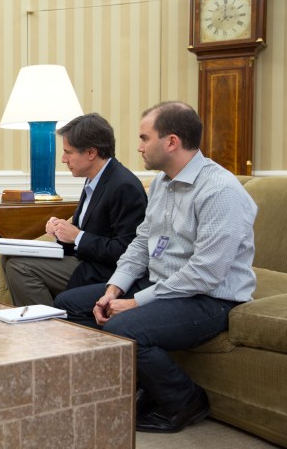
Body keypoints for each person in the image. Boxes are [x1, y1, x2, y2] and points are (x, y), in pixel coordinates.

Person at [55, 101, 257, 434]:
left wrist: (135, 302)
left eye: (144, 137)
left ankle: (185, 399)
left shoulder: (220, 192)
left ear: (172, 142)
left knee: (125, 327)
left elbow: (204, 274)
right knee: (68, 306)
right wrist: (114, 289)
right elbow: (140, 243)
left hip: (210, 298)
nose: (138, 146)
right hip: (163, 286)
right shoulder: (163, 183)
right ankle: (138, 387)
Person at [3, 113, 147, 306]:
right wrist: (60, 231)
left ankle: (45, 328)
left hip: (102, 271)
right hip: (84, 260)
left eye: (68, 152)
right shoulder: (93, 178)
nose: (63, 159)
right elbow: (86, 231)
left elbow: (126, 250)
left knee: (19, 267)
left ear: (90, 153)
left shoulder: (124, 186)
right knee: (9, 257)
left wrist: (77, 236)